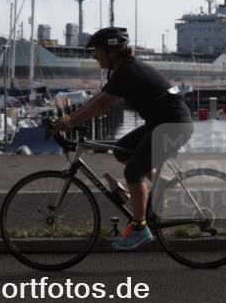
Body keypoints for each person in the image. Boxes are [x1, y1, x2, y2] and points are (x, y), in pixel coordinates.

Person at [53, 27, 194, 248]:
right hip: (163, 123)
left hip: (172, 125)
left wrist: (71, 121)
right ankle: (163, 183)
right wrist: (72, 117)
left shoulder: (127, 71)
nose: (95, 56)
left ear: (112, 52)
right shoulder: (123, 70)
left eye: (97, 51)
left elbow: (101, 104)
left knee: (133, 171)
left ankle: (140, 228)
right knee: (121, 149)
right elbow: (100, 98)